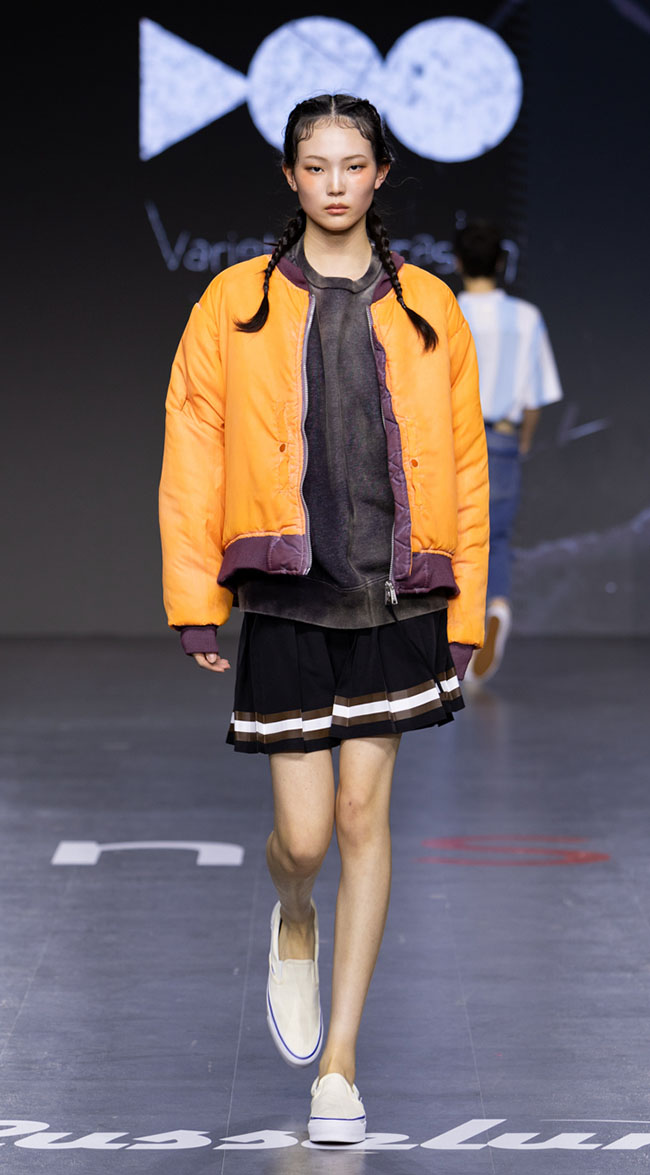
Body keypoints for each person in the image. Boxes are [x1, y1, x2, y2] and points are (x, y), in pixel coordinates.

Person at [159, 94, 489, 1145]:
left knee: (360, 817)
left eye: (353, 164)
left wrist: (464, 607)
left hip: (394, 593)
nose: (335, 183)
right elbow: (193, 447)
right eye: (317, 165)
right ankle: (293, 913)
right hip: (288, 593)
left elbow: (467, 463)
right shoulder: (235, 302)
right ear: (290, 177)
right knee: (301, 840)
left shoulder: (429, 307)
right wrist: (193, 598)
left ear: (380, 175)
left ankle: (339, 1062)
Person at [455, 221, 563, 682]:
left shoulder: (447, 311)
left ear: (457, 262)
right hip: (501, 441)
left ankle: (459, 635)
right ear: (502, 262)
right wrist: (522, 440)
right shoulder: (526, 317)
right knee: (496, 539)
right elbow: (536, 395)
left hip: (454, 441)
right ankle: (496, 605)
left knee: (454, 540)